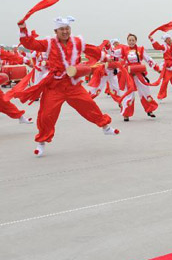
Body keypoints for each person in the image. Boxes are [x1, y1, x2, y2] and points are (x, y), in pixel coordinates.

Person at [16, 17, 119, 157]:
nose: (65, 32)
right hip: (55, 85)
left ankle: (105, 127)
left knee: (89, 105)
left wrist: (106, 58)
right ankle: (41, 142)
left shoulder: (77, 42)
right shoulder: (49, 43)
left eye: (67, 29)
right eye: (62, 29)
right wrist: (23, 28)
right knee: (46, 115)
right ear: (56, 31)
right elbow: (30, 43)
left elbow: (92, 50)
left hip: (73, 85)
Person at [117, 33, 160, 121]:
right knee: (129, 94)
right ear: (127, 41)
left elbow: (148, 59)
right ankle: (126, 114)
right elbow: (113, 54)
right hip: (129, 74)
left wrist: (157, 68)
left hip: (139, 73)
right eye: (130, 40)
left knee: (145, 91)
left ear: (136, 41)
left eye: (133, 40)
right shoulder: (123, 49)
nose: (131, 42)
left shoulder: (140, 49)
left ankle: (150, 110)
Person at [149, 33, 172, 101]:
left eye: (170, 39)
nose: (170, 40)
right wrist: (152, 39)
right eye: (168, 39)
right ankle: (160, 96)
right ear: (165, 41)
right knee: (165, 82)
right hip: (168, 67)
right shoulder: (164, 47)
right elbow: (157, 46)